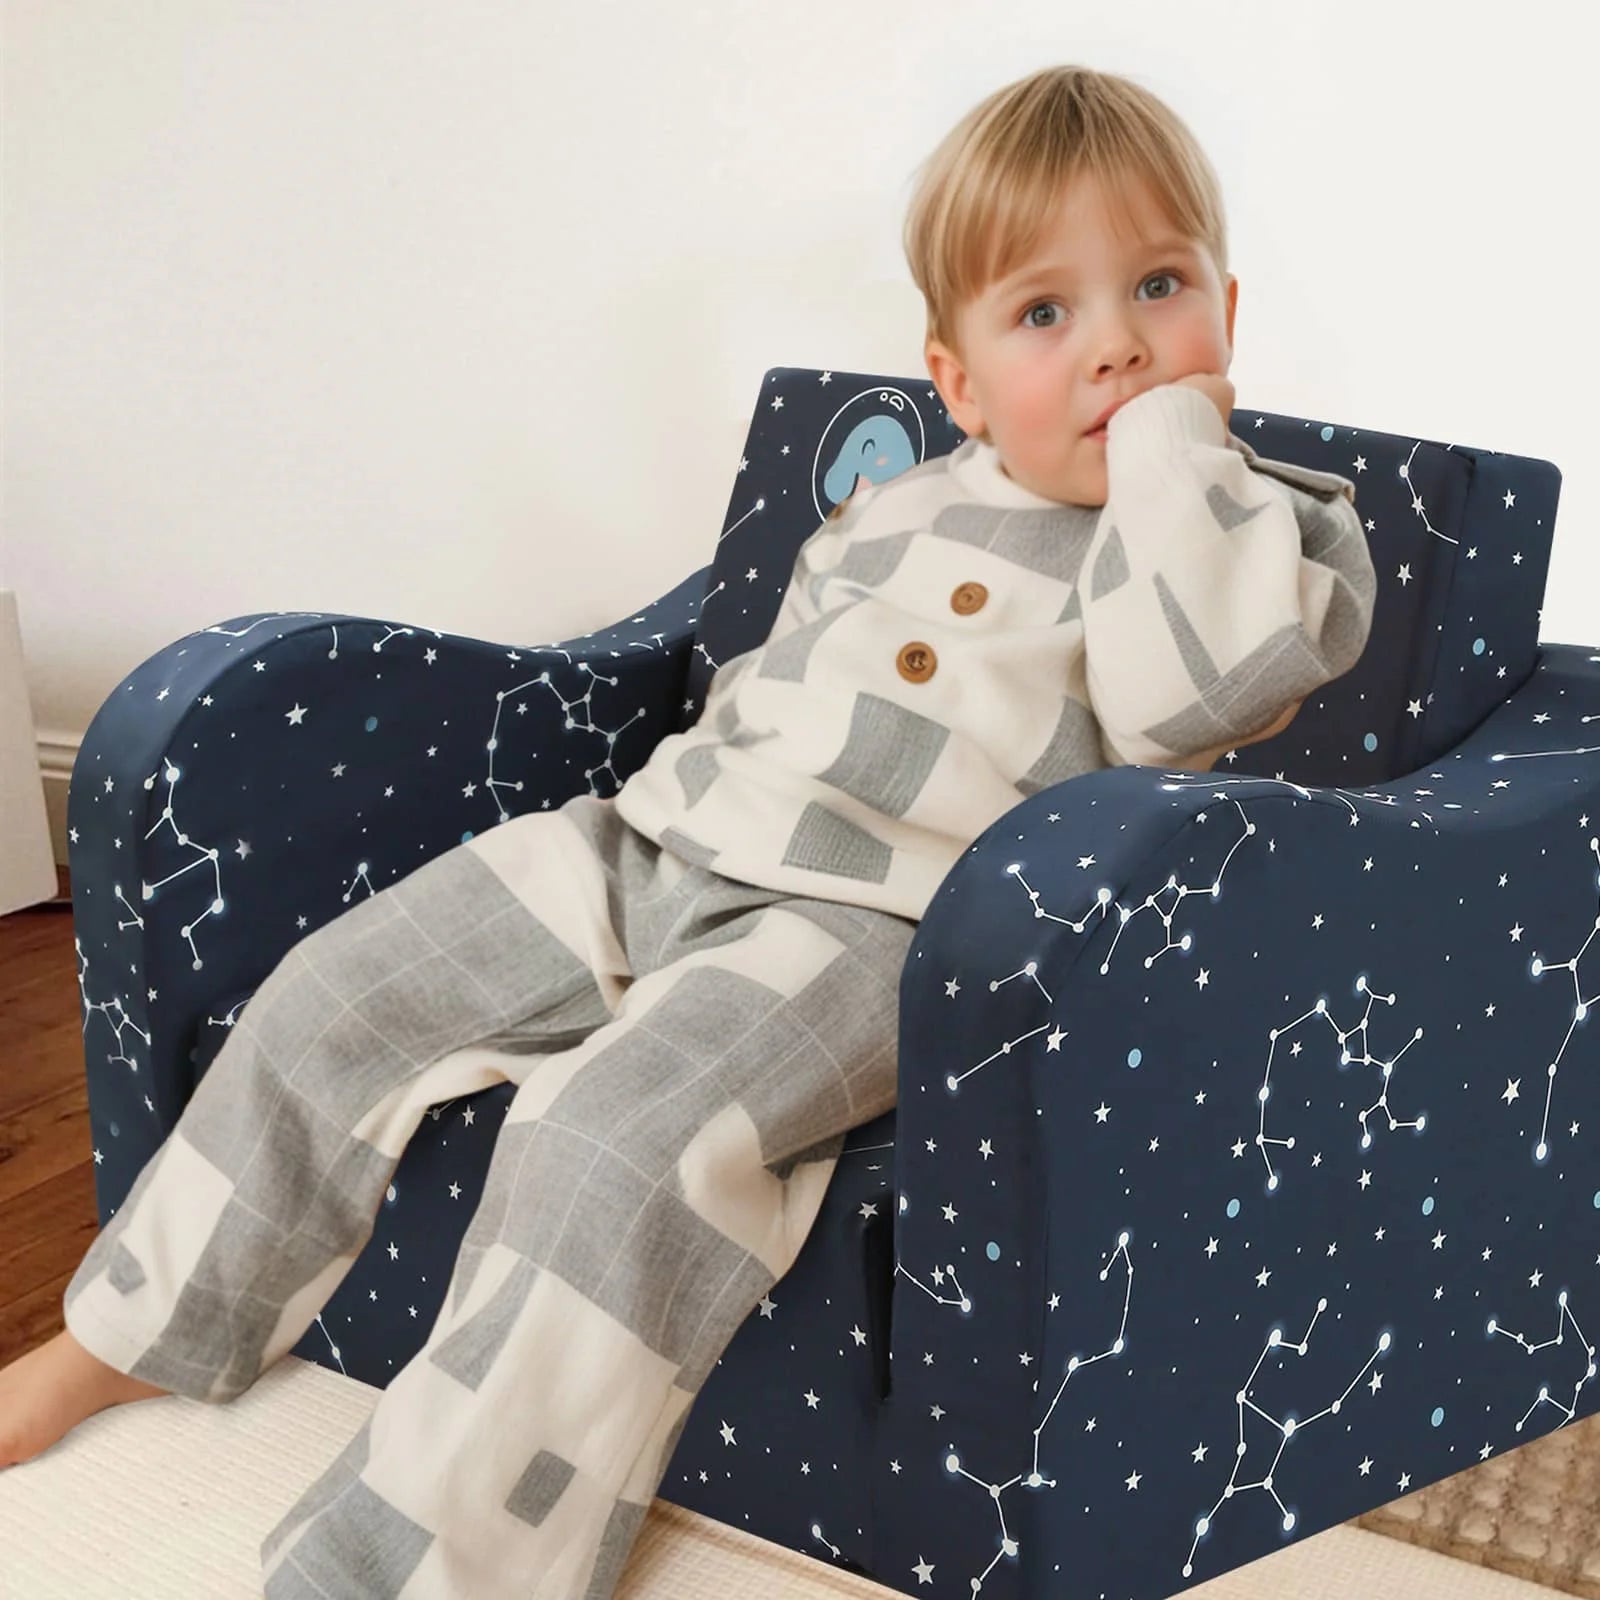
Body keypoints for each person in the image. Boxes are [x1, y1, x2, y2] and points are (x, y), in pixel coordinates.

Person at [0, 62, 1375, 1599]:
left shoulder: (1261, 536)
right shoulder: (898, 501)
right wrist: (642, 852)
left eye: (1160, 289)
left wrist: (1177, 451)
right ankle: (126, 1336)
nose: (1118, 342)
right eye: (1045, 314)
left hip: (876, 926)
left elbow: (1204, 693)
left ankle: (414, 1571)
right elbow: (753, 683)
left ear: (1228, 318)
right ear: (962, 378)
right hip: (659, 839)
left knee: (614, 1137)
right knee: (344, 991)